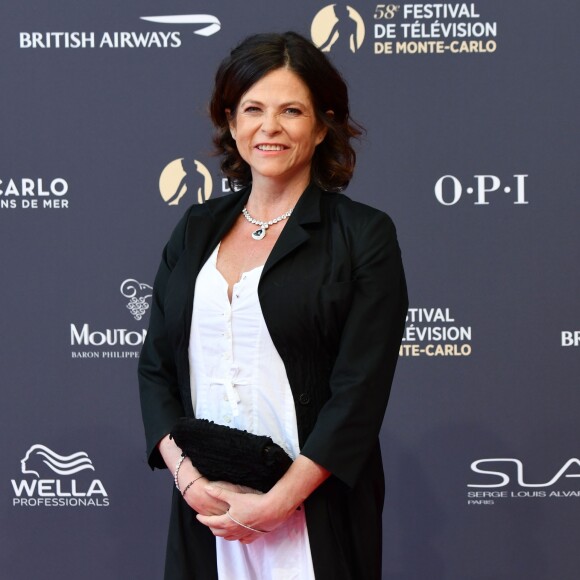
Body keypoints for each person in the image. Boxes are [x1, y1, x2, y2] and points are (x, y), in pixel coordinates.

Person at [138, 31, 408, 580]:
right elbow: (156, 369)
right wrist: (191, 483)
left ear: (321, 123)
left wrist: (278, 503)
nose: (270, 127)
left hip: (314, 512)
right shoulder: (195, 230)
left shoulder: (362, 235)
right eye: (253, 109)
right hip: (207, 512)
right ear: (231, 121)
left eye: (291, 110)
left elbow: (358, 392)